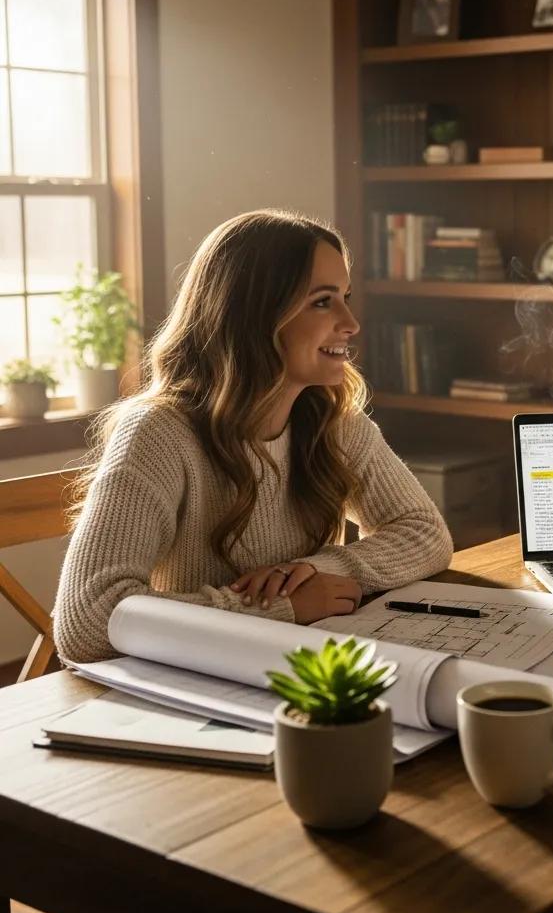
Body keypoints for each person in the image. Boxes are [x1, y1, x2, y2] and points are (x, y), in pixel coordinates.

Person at [53, 209, 453, 664]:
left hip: (293, 663)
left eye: (345, 296)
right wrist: (280, 606)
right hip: (192, 682)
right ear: (254, 316)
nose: (351, 322)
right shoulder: (158, 433)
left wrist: (314, 570)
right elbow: (86, 622)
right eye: (323, 301)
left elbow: (425, 534)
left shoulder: (331, 418)